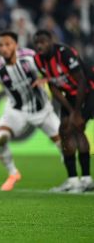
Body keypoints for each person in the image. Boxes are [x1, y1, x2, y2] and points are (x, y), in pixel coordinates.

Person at [0, 31, 62, 191]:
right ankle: (13, 173)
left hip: (42, 110)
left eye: (8, 44)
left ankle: (74, 179)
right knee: (0, 138)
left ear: (16, 45)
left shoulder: (30, 57)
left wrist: (46, 78)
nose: (4, 48)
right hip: (16, 111)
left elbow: (51, 70)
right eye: (1, 45)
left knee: (64, 145)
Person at [33, 30, 94, 192]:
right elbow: (52, 85)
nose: (40, 46)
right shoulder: (38, 60)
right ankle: (74, 180)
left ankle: (86, 179)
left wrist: (76, 113)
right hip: (71, 95)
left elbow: (81, 82)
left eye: (43, 42)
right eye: (37, 43)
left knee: (76, 128)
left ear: (51, 41)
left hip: (89, 92)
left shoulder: (64, 54)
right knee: (65, 131)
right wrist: (70, 110)